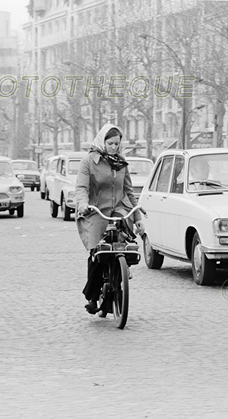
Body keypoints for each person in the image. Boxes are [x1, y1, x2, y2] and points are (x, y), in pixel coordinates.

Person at [75, 123, 145, 314]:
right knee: (98, 250)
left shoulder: (121, 162)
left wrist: (137, 217)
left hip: (120, 207)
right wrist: (82, 204)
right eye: (111, 143)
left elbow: (129, 191)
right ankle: (93, 296)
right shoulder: (89, 161)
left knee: (123, 238)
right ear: (102, 141)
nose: (114, 147)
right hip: (96, 209)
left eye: (117, 144)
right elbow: (81, 188)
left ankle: (122, 270)